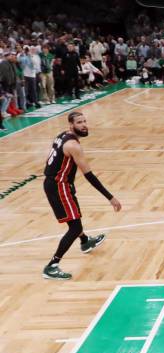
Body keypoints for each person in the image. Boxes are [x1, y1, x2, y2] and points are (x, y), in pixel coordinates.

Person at [43, 112, 122, 279]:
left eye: (85, 121)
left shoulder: (62, 136)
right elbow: (89, 176)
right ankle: (52, 265)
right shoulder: (73, 146)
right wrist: (110, 197)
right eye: (79, 122)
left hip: (58, 184)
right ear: (71, 125)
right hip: (59, 186)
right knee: (75, 227)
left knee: (75, 219)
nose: (84, 125)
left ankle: (85, 242)